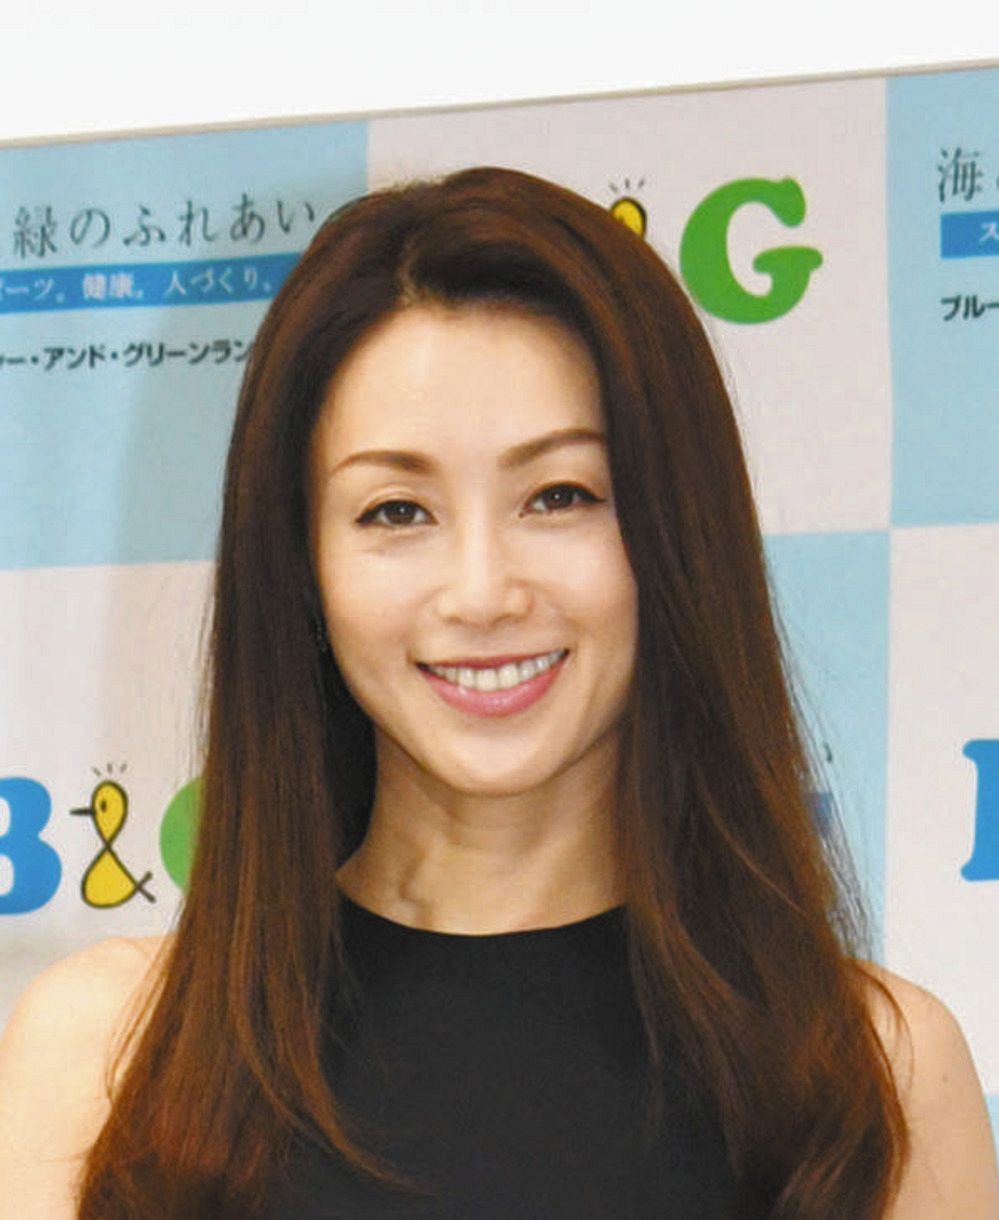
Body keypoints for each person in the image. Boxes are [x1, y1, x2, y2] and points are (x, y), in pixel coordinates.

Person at [0, 166, 996, 1220]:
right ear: (302, 566)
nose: (481, 593)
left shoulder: (871, 1078)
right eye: (395, 510)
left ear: (674, 532)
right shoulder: (110, 1058)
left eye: (558, 495)